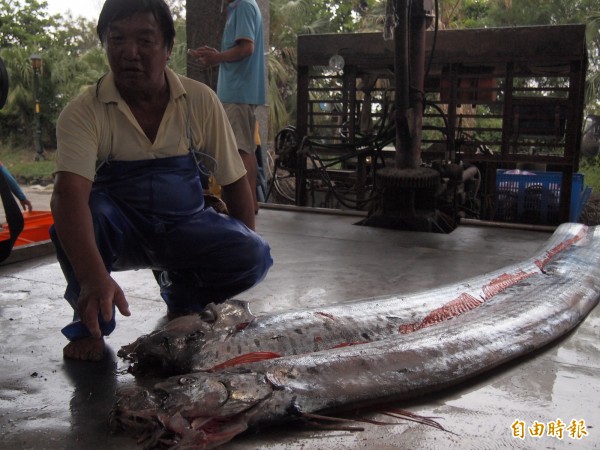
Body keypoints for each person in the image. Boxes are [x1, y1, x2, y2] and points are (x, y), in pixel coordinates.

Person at [50, 0, 273, 362]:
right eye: (117, 39)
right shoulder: (84, 110)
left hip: (185, 225)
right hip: (121, 235)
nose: (130, 52)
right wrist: (93, 276)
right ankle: (87, 326)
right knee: (81, 218)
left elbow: (234, 181)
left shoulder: (200, 100)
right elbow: (67, 196)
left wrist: (241, 239)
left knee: (255, 253)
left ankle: (182, 296)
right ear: (104, 44)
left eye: (145, 40)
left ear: (168, 48)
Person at [189, 0, 265, 214]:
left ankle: (244, 207)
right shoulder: (240, 7)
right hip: (239, 91)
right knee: (245, 149)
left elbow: (246, 47)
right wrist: (217, 55)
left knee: (239, 151)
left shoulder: (243, 6)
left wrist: (217, 58)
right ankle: (250, 204)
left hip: (238, 91)